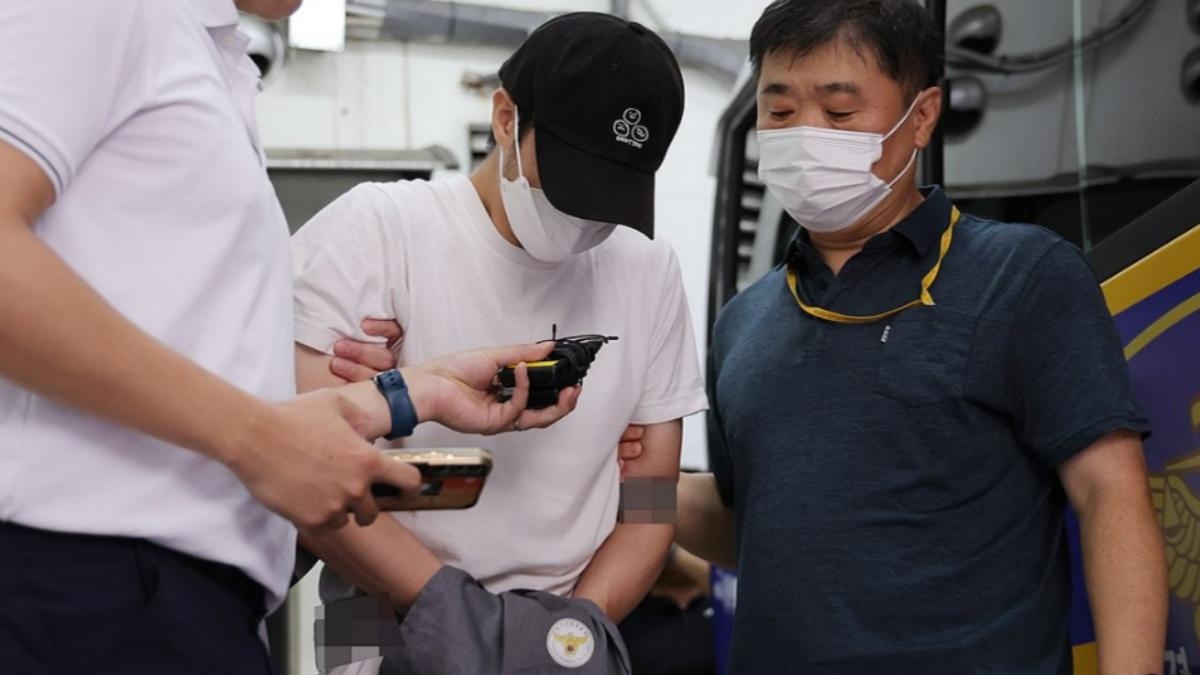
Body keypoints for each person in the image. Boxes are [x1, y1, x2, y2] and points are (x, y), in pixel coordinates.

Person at [0, 1, 575, 673]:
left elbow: (196, 372)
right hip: (86, 583)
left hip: (188, 600)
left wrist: (414, 392)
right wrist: (257, 439)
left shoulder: (209, 59)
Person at [664, 1, 1167, 673]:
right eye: (780, 112)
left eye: (839, 112)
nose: (805, 134)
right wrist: (621, 478)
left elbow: (1109, 493)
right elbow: (743, 520)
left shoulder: (1024, 277)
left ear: (922, 116)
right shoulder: (744, 320)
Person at [290, 12, 708, 674]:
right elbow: (310, 483)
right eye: (573, 182)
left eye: (612, 195)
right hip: (373, 610)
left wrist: (571, 630)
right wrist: (459, 617)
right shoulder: (375, 232)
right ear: (507, 119)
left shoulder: (647, 270)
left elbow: (651, 495)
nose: (587, 218)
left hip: (561, 626)